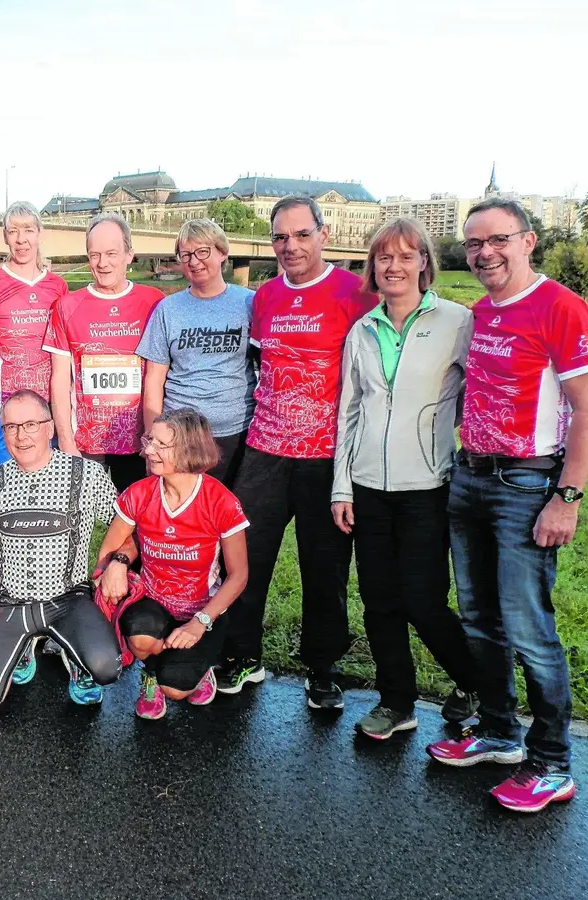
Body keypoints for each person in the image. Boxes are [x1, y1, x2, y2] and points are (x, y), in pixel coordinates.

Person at [426, 199, 588, 814]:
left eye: (497, 239)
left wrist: (567, 497)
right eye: (473, 244)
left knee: (529, 629)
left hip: (527, 484)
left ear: (528, 241)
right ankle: (500, 733)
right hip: (470, 477)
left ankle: (552, 762)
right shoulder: (480, 310)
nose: (484, 253)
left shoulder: (560, 306)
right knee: (479, 618)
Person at [329, 217, 482, 740]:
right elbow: (349, 412)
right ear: (373, 267)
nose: (393, 266)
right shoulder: (363, 330)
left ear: (424, 263)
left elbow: (480, 397)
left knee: (423, 600)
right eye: (383, 257)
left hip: (428, 487)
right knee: (378, 601)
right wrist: (342, 486)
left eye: (405, 255)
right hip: (368, 487)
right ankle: (397, 701)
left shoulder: (458, 322)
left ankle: (473, 681)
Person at [226, 196, 377, 702]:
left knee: (324, 564)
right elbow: (255, 367)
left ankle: (322, 666)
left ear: (323, 232)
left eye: (301, 234)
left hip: (326, 456)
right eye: (280, 237)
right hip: (264, 449)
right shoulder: (264, 296)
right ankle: (243, 655)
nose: (290, 246)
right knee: (246, 557)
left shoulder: (356, 292)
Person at [0, 391, 125, 721]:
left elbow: (125, 526)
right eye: (12, 427)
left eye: (31, 424)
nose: (22, 435)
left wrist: (119, 561)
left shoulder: (86, 474)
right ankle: (20, 651)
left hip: (68, 599)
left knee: (106, 668)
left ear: (50, 428)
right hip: (9, 602)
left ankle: (78, 661)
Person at [96, 409, 249, 719]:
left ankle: (191, 669)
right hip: (152, 601)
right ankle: (150, 673)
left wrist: (200, 623)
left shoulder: (220, 501)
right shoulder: (139, 493)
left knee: (177, 688)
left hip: (202, 609)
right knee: (140, 638)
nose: (148, 450)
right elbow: (110, 549)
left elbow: (239, 575)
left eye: (160, 445)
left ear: (189, 451)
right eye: (149, 440)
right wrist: (115, 565)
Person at [44, 213, 166, 492]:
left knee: (138, 526)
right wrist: (65, 441)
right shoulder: (66, 306)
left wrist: (157, 440)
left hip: (140, 442)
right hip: (86, 444)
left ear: (129, 254)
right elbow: (60, 380)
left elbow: (161, 376)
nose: (102, 263)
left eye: (111, 253)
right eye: (94, 255)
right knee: (78, 527)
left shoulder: (154, 302)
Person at [136, 219, 256, 488]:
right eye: (186, 255)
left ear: (222, 253)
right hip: (179, 436)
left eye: (203, 252)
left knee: (228, 518)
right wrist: (152, 439)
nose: (194, 261)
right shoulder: (168, 310)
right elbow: (154, 379)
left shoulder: (249, 303)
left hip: (236, 432)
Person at [0, 202, 69, 459]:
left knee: (51, 490)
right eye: (13, 232)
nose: (21, 240)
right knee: (6, 487)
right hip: (7, 405)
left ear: (39, 234)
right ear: (5, 237)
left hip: (50, 407)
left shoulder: (59, 287)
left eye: (28, 231)